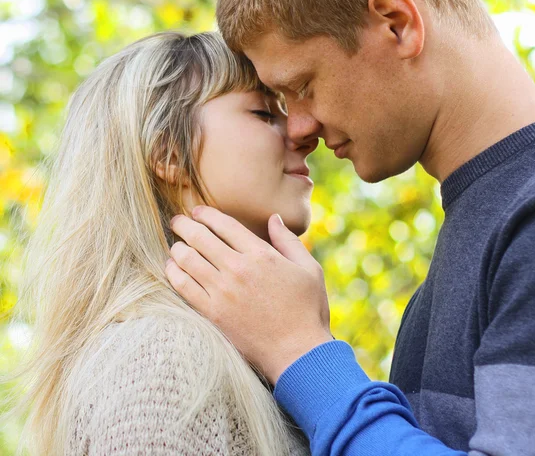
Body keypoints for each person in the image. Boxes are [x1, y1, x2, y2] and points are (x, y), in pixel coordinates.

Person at [164, 0, 535, 456]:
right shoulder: (489, 218)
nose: (299, 128)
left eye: (304, 86)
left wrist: (299, 351)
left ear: (397, 23)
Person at [2, 32, 313, 455]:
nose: (302, 131)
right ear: (169, 154)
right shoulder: (160, 363)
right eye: (263, 112)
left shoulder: (224, 352)